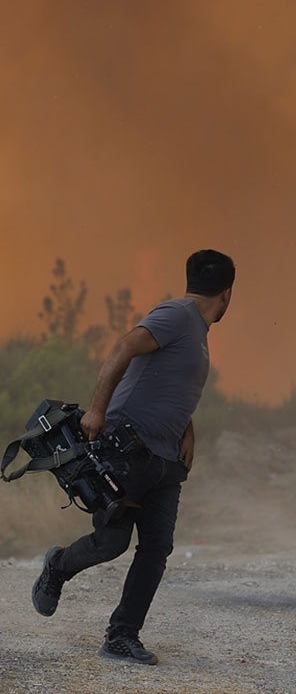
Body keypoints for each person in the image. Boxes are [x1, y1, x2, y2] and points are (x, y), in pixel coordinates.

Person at [31, 249, 235, 665]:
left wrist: (189, 430)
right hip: (130, 451)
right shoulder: (178, 315)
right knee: (112, 543)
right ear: (228, 294)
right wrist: (97, 410)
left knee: (157, 546)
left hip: (166, 460)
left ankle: (121, 636)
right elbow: (123, 348)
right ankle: (58, 566)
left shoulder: (194, 330)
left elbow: (171, 388)